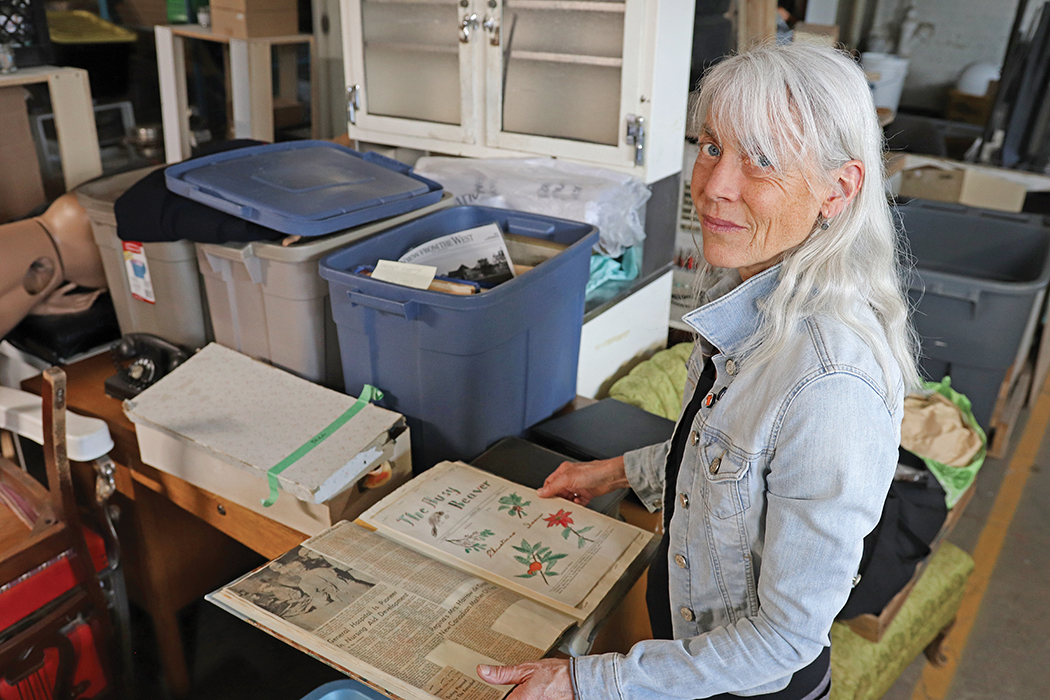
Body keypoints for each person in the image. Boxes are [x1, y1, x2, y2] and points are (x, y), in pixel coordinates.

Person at [476, 41, 921, 700]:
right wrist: (619, 470)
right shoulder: (756, 300)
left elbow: (783, 641)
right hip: (682, 651)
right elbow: (728, 458)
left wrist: (584, 683)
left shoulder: (831, 386)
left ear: (839, 189)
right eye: (711, 146)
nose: (714, 186)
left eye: (761, 161)